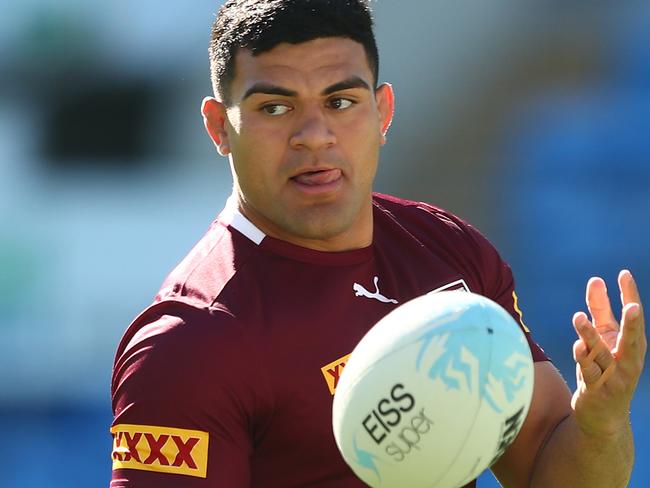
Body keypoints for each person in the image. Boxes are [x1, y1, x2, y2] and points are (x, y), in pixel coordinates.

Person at [109, 1, 647, 486]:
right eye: (275, 108)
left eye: (340, 102)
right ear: (218, 128)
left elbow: (547, 476)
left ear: (383, 112)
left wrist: (598, 426)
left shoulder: (449, 254)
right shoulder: (189, 344)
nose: (314, 134)